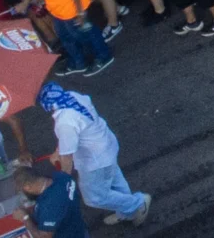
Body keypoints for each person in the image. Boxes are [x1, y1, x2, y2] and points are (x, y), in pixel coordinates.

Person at [40, 82, 147, 225]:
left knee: (94, 197)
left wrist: (63, 180)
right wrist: (57, 151)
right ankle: (128, 212)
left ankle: (138, 203)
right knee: (115, 181)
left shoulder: (64, 121)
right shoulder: (72, 96)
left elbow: (67, 156)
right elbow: (75, 133)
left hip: (95, 160)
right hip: (106, 144)